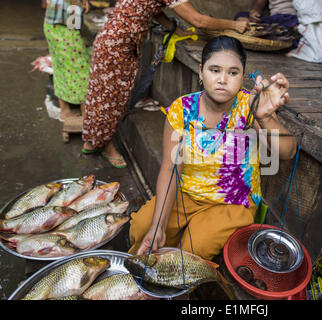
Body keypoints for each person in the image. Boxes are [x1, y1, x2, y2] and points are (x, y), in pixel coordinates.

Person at [128, 36, 297, 261]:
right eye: (215, 70)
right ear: (201, 71)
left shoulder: (249, 107)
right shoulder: (182, 109)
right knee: (142, 230)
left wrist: (265, 117)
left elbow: (288, 151)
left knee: (189, 252)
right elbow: (170, 170)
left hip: (233, 203)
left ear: (242, 76)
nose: (223, 80)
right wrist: (158, 225)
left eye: (233, 72)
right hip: (186, 193)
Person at [81, 0, 250, 168]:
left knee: (102, 93)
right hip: (117, 45)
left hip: (111, 40)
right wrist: (234, 25)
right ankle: (104, 145)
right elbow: (198, 20)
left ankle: (92, 140)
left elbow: (154, 11)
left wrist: (175, 30)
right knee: (110, 97)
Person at [43, 0, 91, 121]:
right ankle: (87, 116)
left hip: (53, 25)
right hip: (63, 28)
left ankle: (65, 110)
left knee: (60, 66)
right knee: (82, 69)